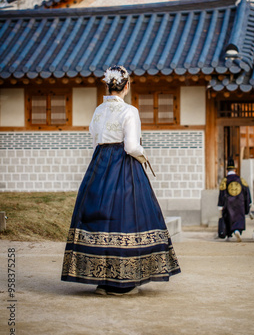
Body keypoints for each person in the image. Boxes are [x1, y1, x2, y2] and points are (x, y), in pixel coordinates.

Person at [61, 65, 181, 295]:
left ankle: (103, 280)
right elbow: (132, 146)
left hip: (99, 164)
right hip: (123, 167)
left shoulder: (98, 111)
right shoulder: (130, 111)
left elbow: (95, 141)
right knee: (126, 217)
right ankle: (122, 283)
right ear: (127, 86)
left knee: (101, 216)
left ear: (107, 85)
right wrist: (144, 156)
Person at [218, 157, 252, 242]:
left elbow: (222, 193)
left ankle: (229, 235)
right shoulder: (241, 180)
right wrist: (248, 203)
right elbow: (246, 192)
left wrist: (220, 204)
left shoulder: (225, 180)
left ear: (227, 170)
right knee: (239, 217)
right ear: (235, 170)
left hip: (229, 203)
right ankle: (238, 231)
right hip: (239, 202)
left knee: (228, 217)